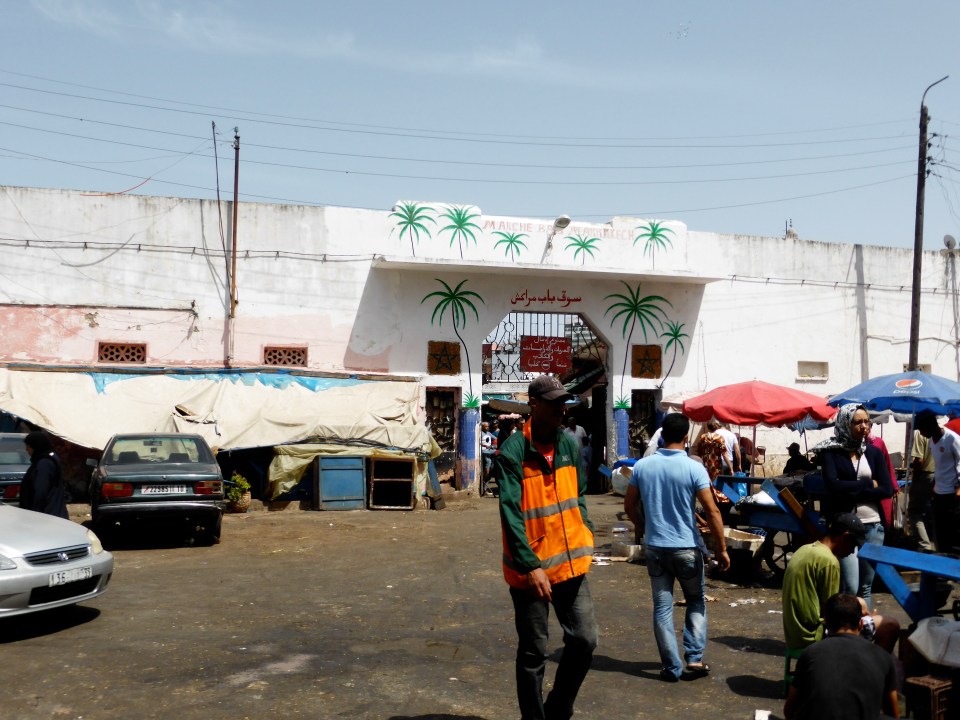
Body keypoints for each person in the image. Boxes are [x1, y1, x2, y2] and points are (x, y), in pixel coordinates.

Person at [496, 375, 597, 720]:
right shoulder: (512, 452)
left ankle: (558, 708)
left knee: (585, 640)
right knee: (533, 654)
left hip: (571, 563)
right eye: (552, 403)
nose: (560, 409)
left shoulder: (569, 444)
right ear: (534, 404)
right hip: (532, 572)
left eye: (562, 403)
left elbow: (579, 494)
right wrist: (530, 565)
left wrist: (585, 529)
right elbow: (511, 514)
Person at [624, 413, 730, 683]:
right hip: (686, 547)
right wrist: (721, 548)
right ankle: (693, 659)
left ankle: (670, 667)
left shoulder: (642, 467)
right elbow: (712, 511)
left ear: (661, 437)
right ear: (686, 438)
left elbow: (629, 506)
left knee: (662, 607)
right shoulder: (694, 468)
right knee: (695, 601)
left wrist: (645, 528)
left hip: (656, 548)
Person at [781, 513, 899, 653]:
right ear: (845, 537)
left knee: (860, 604)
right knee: (890, 625)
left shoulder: (805, 550)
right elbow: (834, 614)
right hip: (814, 635)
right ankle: (873, 671)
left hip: (795, 634)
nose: (852, 552)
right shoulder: (829, 561)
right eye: (853, 545)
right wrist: (860, 614)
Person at [813, 404, 892, 608]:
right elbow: (833, 486)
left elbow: (886, 489)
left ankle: (861, 631)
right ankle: (843, 627)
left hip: (872, 525)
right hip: (845, 528)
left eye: (867, 421)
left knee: (865, 586)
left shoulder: (874, 453)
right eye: (858, 422)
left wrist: (851, 489)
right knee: (850, 584)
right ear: (846, 424)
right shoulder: (831, 453)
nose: (864, 426)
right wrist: (867, 484)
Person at [784, 593, 899, 720]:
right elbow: (894, 714)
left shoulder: (810, 653)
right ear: (861, 624)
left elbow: (789, 710)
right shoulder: (882, 657)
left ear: (827, 623)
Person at [914, 409, 960, 555]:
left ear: (930, 426)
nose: (921, 434)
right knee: (940, 533)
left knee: (953, 534)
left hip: (953, 494)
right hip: (939, 493)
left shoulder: (952, 439)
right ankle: (942, 567)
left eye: (921, 429)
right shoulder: (931, 441)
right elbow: (940, 466)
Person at [20, 430, 69, 519]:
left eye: (28, 446)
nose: (27, 449)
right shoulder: (51, 457)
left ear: (36, 446)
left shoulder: (44, 464)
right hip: (53, 514)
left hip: (47, 516)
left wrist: (34, 515)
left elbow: (40, 491)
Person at [908, 427, 936, 551]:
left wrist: (912, 466)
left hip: (924, 475)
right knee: (931, 512)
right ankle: (934, 543)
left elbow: (919, 460)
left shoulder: (920, 433)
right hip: (938, 476)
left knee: (914, 511)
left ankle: (924, 545)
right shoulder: (939, 433)